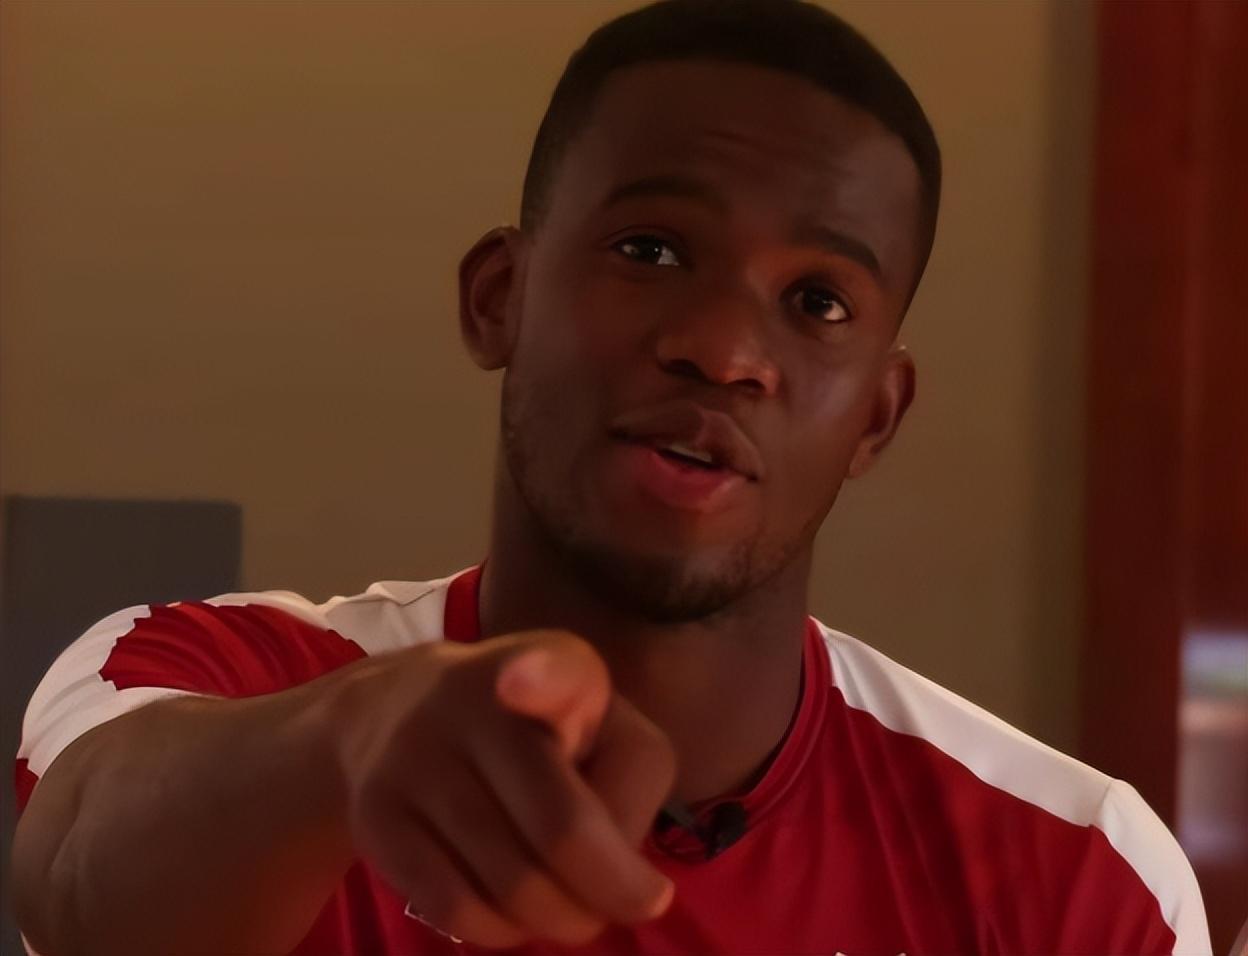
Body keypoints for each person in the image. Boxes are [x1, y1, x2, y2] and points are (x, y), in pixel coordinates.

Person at [10, 1, 1210, 954]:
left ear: (877, 416)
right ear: (500, 297)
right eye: (651, 249)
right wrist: (346, 743)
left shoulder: (1082, 871)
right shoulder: (208, 677)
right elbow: (76, 883)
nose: (723, 350)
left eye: (817, 302)